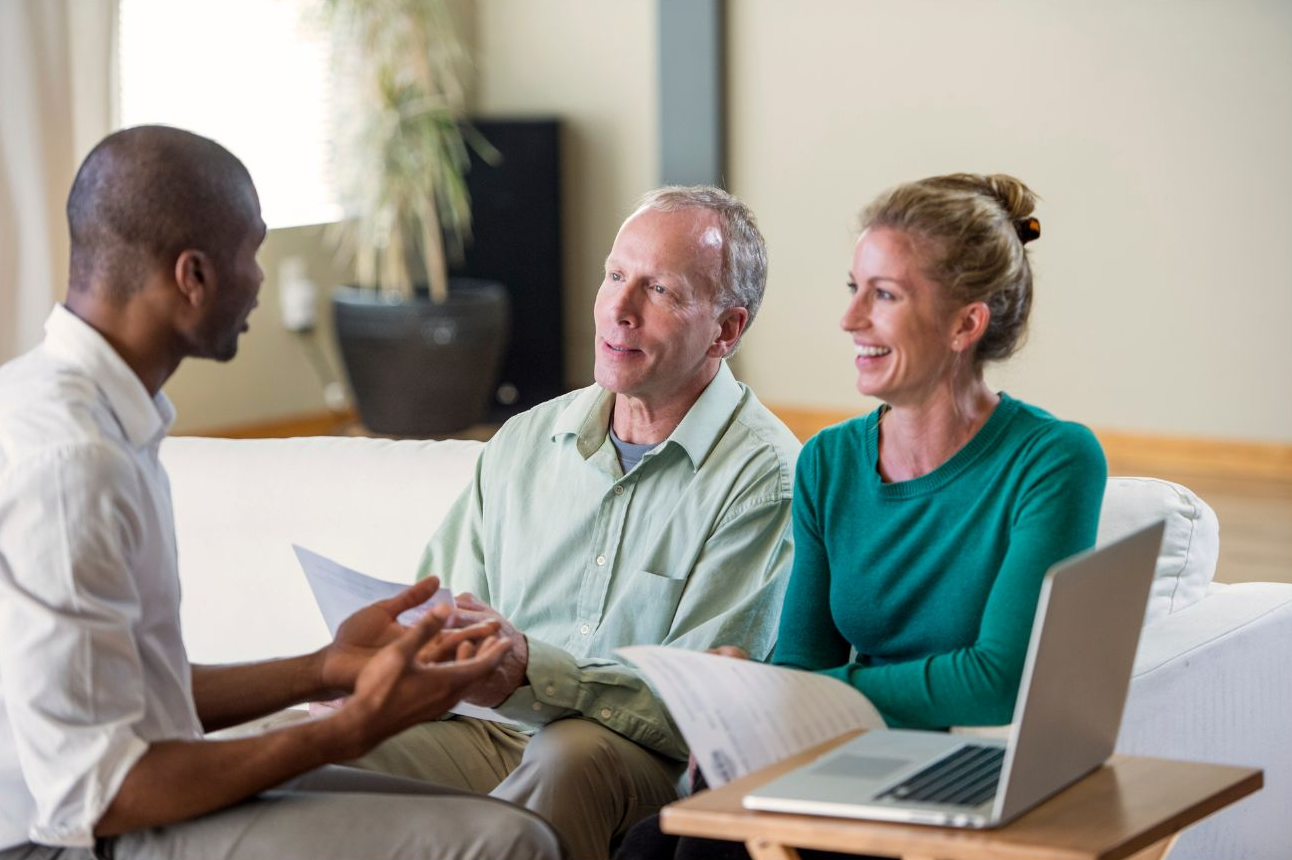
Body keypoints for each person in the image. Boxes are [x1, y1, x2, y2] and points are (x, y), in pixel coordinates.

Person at [0, 126, 563, 860]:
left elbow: (141, 699)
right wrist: (352, 724)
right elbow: (99, 793)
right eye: (251, 251)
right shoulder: (75, 461)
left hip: (105, 803)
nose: (261, 278)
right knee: (508, 845)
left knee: (508, 824)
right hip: (62, 839)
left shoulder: (77, 413)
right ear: (192, 276)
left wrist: (324, 667)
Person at [616, 173, 1108, 860]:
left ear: (965, 323)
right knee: (654, 841)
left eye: (885, 296)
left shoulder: (1054, 460)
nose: (851, 321)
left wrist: (806, 692)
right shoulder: (829, 462)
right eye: (854, 290)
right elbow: (803, 661)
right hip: (852, 760)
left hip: (967, 786)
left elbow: (995, 682)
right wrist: (755, 698)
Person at [349, 186, 802, 859]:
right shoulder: (525, 442)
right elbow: (438, 606)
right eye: (616, 276)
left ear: (727, 330)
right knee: (312, 748)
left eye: (660, 291)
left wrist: (538, 671)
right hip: (488, 733)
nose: (619, 309)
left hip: (638, 761)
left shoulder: (768, 479)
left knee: (569, 757)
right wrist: (373, 690)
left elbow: (699, 710)